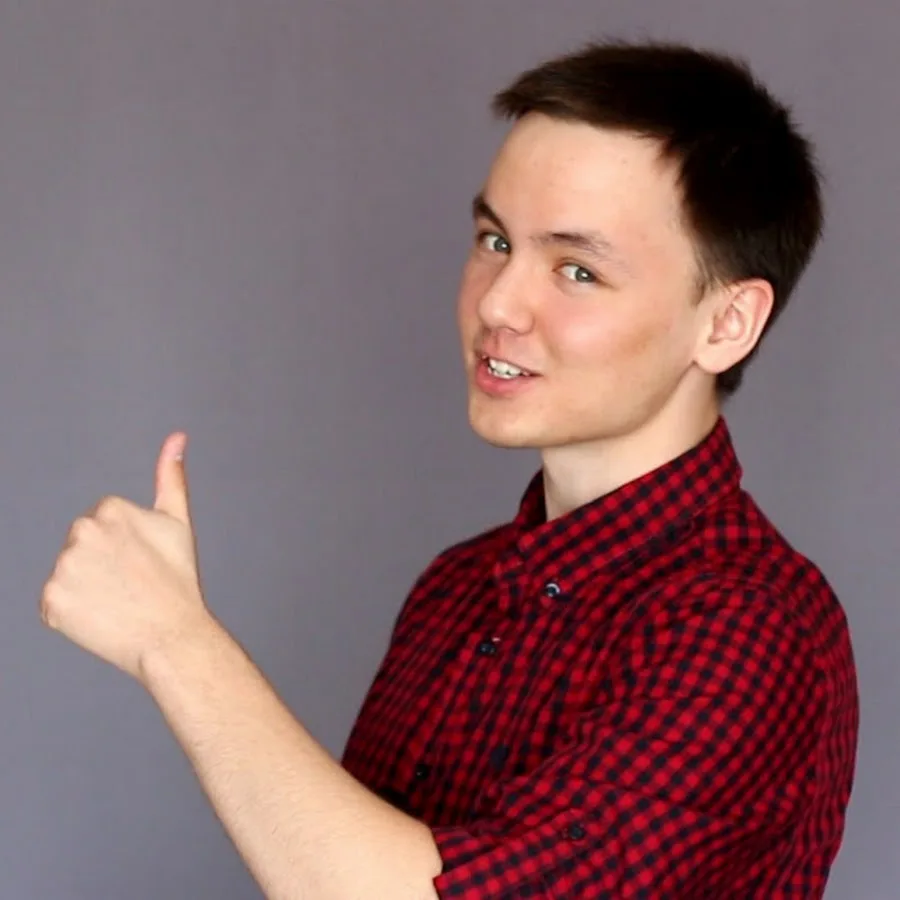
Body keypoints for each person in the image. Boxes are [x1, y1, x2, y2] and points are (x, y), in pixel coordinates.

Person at [40, 39, 858, 899]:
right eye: (494, 240)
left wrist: (175, 643)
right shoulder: (458, 588)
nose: (498, 302)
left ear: (726, 323)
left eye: (577, 270)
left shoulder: (750, 626)